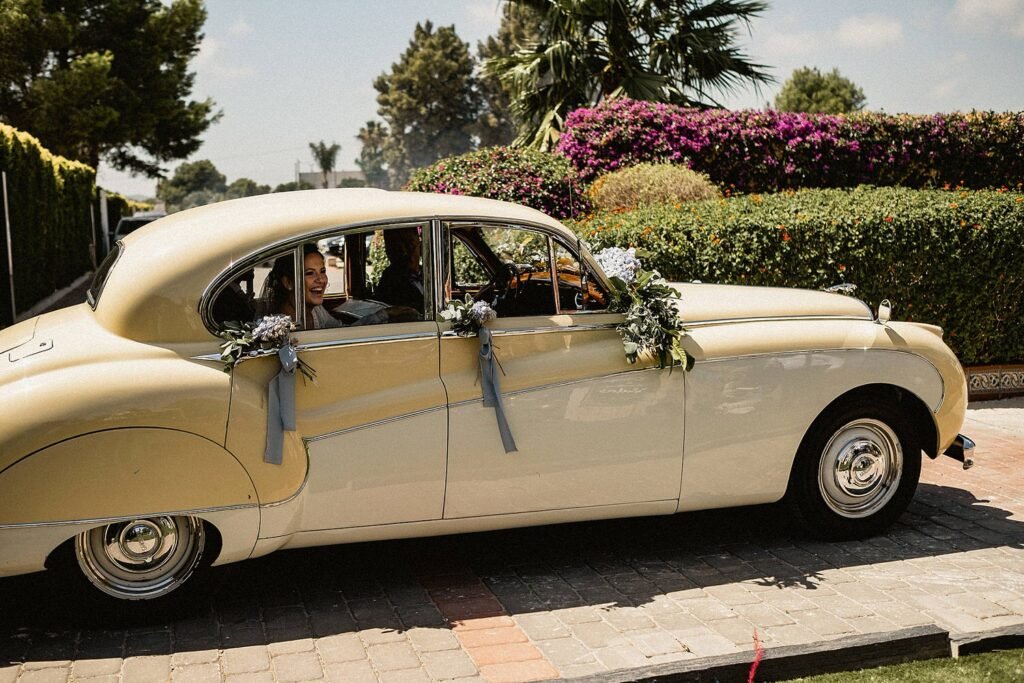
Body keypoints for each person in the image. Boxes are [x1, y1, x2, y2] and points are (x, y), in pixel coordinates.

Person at [260, 245, 342, 329]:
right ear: (288, 282)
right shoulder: (278, 326)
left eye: (322, 271)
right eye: (310, 273)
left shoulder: (317, 311)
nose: (321, 280)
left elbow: (339, 330)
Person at [374, 227, 424, 314]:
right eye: (398, 247)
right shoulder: (389, 280)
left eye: (410, 245)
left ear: (419, 244)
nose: (405, 252)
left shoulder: (429, 272)